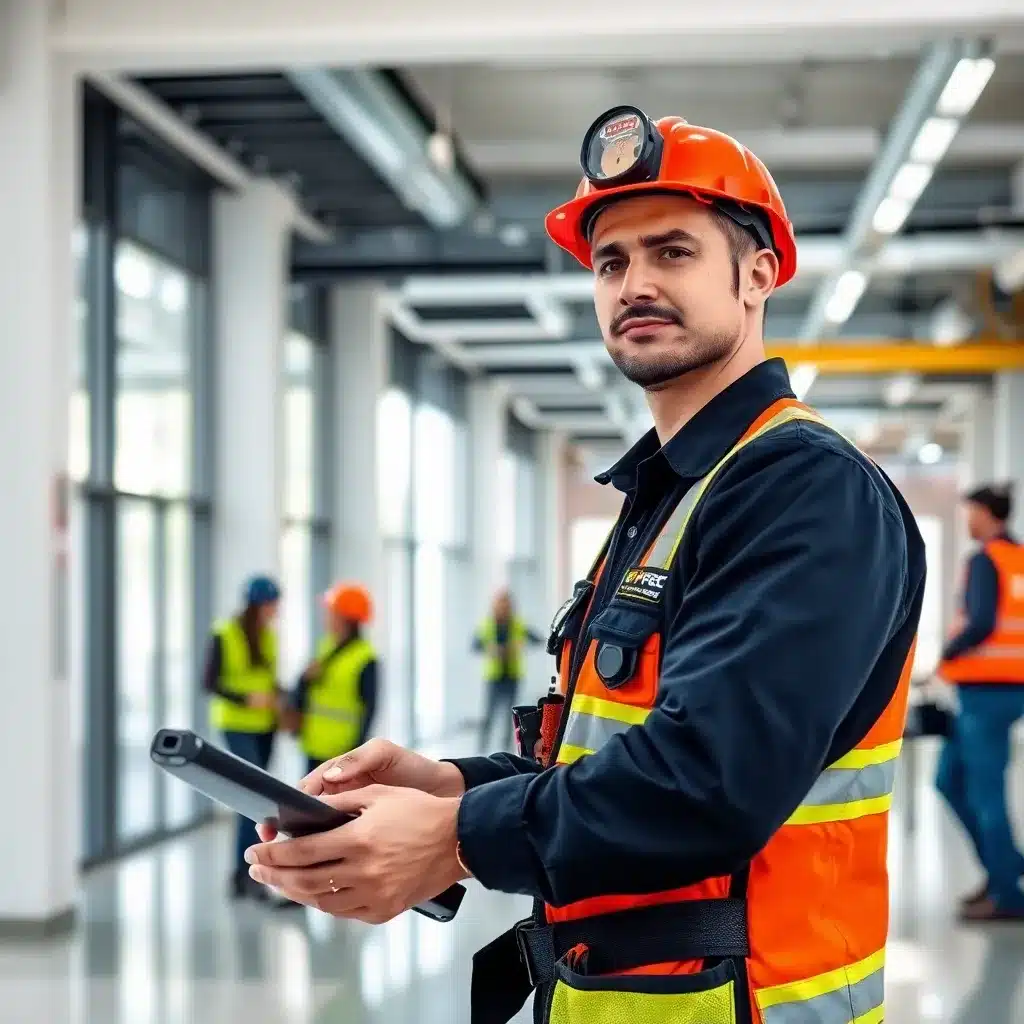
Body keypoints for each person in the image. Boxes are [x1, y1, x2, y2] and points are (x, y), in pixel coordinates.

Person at [243, 107, 926, 1024]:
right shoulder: (674, 491)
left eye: (673, 252)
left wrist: (453, 840)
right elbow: (610, 747)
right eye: (612, 262)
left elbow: (706, 784)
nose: (634, 283)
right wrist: (456, 785)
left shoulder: (804, 490)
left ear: (759, 274)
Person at [936, 482, 1024, 922]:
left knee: (983, 792)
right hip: (1010, 688)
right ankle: (1005, 868)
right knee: (948, 780)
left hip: (985, 691)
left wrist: (945, 654)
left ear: (987, 515)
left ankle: (1009, 894)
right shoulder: (1018, 559)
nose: (967, 521)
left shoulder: (985, 561)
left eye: (970, 512)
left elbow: (983, 623)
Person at [203, 574, 282, 900]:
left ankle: (243, 874)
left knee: (255, 797)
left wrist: (282, 702)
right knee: (251, 799)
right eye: (271, 606)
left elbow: (268, 680)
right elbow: (209, 682)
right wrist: (246, 700)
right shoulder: (225, 633)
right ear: (258, 605)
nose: (275, 612)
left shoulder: (269, 636)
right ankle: (246, 873)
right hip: (236, 724)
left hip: (265, 725)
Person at [291, 582, 379, 777]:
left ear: (345, 618)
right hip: (314, 745)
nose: (327, 617)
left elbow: (370, 708)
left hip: (341, 752)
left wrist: (356, 752)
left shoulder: (365, 658)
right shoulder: (326, 647)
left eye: (331, 612)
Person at [473, 590, 542, 750]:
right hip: (493, 678)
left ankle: (504, 751)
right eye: (500, 604)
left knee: (508, 717)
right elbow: (475, 645)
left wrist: (520, 644)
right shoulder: (486, 625)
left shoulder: (518, 625)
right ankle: (481, 749)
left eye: (506, 604)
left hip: (512, 677)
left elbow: (538, 639)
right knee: (488, 715)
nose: (503, 607)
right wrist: (489, 649)